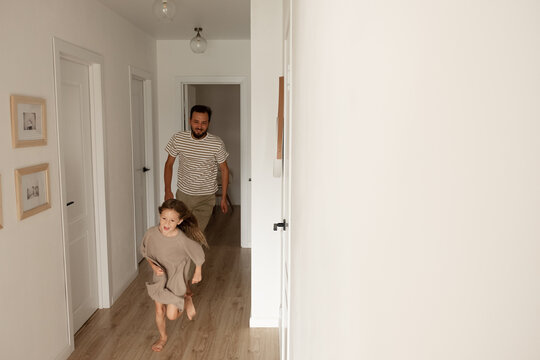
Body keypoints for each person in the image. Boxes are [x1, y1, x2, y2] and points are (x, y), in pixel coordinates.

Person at [140, 199, 209, 352]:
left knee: (171, 316)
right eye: (164, 218)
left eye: (172, 220)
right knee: (159, 311)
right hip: (160, 278)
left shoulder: (182, 240)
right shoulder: (151, 233)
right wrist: (154, 267)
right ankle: (163, 337)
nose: (166, 223)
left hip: (176, 278)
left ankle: (186, 297)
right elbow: (146, 253)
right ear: (159, 215)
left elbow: (197, 252)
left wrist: (198, 271)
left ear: (180, 221)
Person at [164, 104, 230, 232]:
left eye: (204, 123)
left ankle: (192, 251)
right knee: (179, 232)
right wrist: (167, 190)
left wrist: (223, 197)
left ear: (209, 123)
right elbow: (168, 164)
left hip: (206, 197)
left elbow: (224, 169)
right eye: (196, 122)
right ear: (190, 121)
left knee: (196, 234)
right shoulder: (178, 139)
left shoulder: (216, 143)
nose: (199, 126)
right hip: (184, 196)